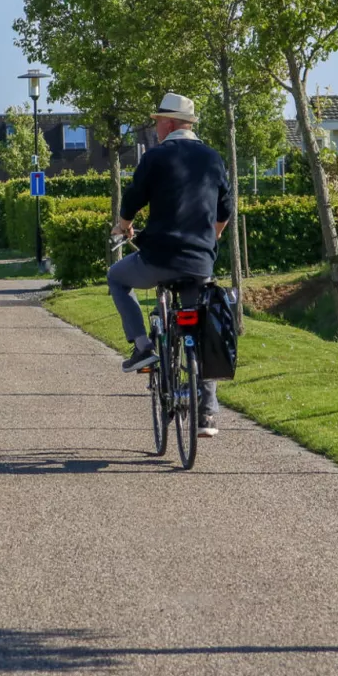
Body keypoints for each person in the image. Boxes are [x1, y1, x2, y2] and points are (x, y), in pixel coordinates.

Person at [109, 92, 231, 437]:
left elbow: (133, 198)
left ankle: (142, 347)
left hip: (159, 258)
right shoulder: (212, 158)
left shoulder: (156, 157)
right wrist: (211, 238)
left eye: (157, 121)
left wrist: (124, 225)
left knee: (117, 277)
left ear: (169, 123)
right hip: (199, 262)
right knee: (202, 326)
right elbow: (225, 209)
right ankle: (208, 412)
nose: (154, 127)